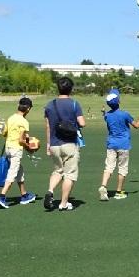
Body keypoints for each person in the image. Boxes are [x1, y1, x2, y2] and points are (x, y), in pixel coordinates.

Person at [44, 77, 86, 212]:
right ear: (71, 89)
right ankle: (63, 203)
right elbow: (82, 123)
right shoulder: (74, 104)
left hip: (54, 144)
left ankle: (50, 191)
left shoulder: (49, 105)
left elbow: (48, 126)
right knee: (70, 174)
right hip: (69, 144)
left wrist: (48, 144)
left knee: (57, 171)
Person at [98, 89, 139, 201]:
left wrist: (103, 112)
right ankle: (119, 191)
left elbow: (105, 116)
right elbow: (137, 125)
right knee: (122, 168)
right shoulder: (125, 114)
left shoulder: (108, 116)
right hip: (123, 145)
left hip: (111, 145)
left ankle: (103, 186)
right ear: (118, 101)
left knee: (109, 167)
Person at [0, 98, 37, 208]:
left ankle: (24, 195)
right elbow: (21, 140)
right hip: (16, 149)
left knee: (19, 171)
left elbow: (4, 133)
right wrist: (30, 147)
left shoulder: (11, 118)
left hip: (8, 148)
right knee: (13, 173)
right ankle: (2, 196)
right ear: (28, 108)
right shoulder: (24, 121)